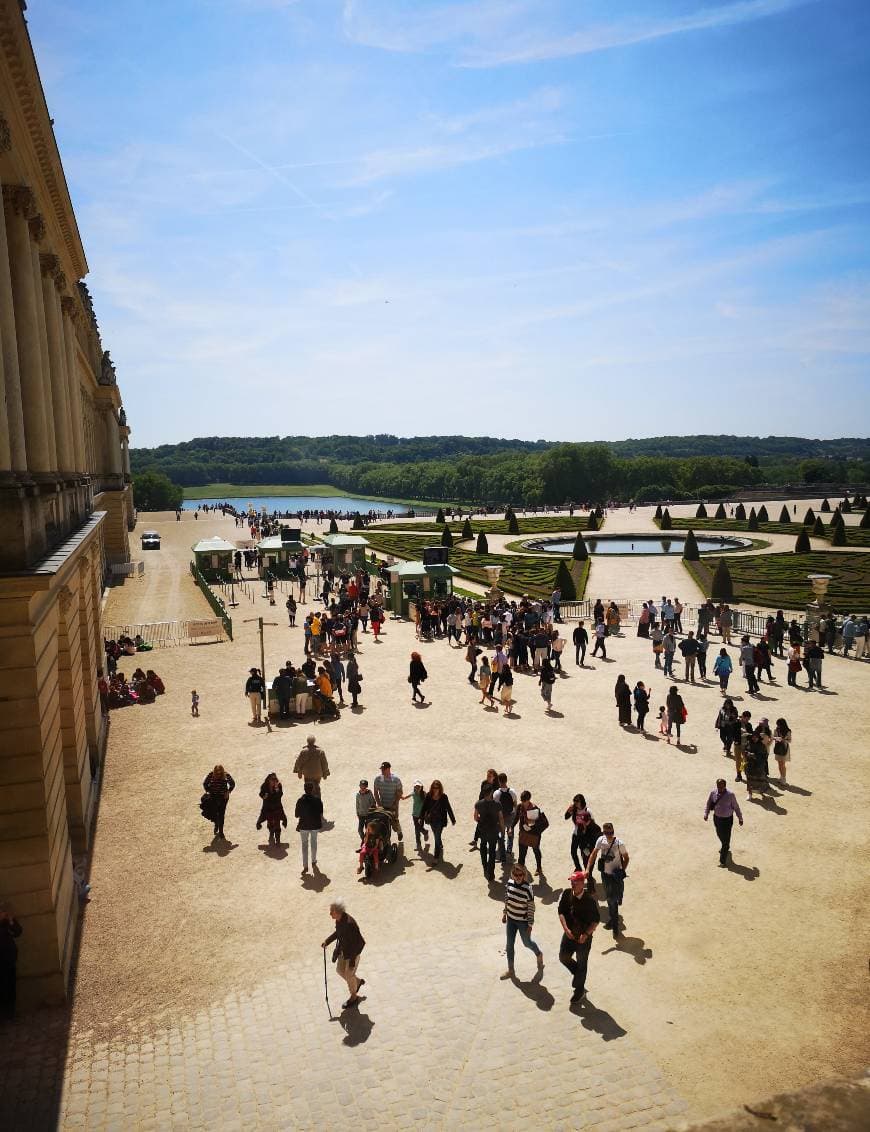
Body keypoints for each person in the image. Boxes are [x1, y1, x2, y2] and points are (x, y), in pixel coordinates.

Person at [557, 870, 600, 1003]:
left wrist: (586, 935)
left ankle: (579, 990)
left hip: (583, 938)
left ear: (582, 883)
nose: (572, 884)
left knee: (582, 963)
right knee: (563, 957)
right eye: (571, 881)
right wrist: (565, 928)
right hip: (569, 935)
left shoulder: (590, 901)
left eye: (575, 882)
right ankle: (579, 975)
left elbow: (595, 921)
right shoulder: (566, 894)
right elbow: (561, 912)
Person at [321, 899, 366, 1010]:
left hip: (352, 954)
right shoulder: (339, 920)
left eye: (332, 911)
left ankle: (354, 997)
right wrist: (327, 941)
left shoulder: (350, 924)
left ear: (338, 911)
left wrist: (351, 962)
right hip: (344, 951)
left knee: (348, 973)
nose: (330, 914)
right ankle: (357, 982)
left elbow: (357, 944)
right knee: (340, 971)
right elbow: (338, 933)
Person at [586, 822, 629, 937]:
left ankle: (614, 926)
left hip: (615, 876)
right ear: (604, 832)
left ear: (613, 831)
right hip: (605, 875)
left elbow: (626, 858)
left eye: (611, 832)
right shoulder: (601, 840)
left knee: (613, 900)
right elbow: (593, 854)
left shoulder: (619, 843)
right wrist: (587, 869)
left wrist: (622, 870)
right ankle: (613, 921)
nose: (609, 835)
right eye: (607, 833)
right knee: (610, 900)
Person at [502, 863, 544, 979]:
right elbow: (507, 899)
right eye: (516, 875)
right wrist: (504, 914)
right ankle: (511, 970)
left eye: (520, 875)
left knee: (527, 943)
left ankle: (538, 954)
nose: (518, 877)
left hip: (522, 921)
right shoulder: (509, 884)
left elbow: (531, 908)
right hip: (511, 919)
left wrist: (530, 924)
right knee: (509, 945)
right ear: (512, 874)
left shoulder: (528, 889)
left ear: (524, 875)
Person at [704, 779, 744, 866]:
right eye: (718, 786)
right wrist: (706, 813)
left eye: (721, 786)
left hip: (727, 820)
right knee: (719, 834)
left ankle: (723, 860)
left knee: (726, 839)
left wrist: (740, 818)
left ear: (725, 786)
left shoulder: (730, 795)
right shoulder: (713, 793)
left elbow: (736, 807)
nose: (720, 788)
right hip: (717, 818)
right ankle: (725, 845)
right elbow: (708, 803)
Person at [473, 785, 504, 881]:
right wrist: (502, 830)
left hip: (483, 830)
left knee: (482, 846)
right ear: (491, 793)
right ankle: (491, 873)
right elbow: (501, 818)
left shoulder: (478, 804)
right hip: (493, 830)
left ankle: (484, 866)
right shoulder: (497, 804)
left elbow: (475, 817)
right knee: (492, 852)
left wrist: (481, 821)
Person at [421, 780, 456, 861]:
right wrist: (421, 817)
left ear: (440, 788)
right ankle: (440, 844)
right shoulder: (429, 796)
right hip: (432, 820)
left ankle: (436, 857)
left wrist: (453, 819)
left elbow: (448, 808)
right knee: (436, 836)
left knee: (436, 837)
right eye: (434, 787)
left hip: (440, 820)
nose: (435, 789)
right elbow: (424, 807)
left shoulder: (444, 797)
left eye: (437, 788)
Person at [295, 781, 323, 874]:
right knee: (314, 843)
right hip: (314, 825)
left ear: (304, 789)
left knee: (304, 846)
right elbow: (320, 812)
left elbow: (296, 815)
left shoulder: (300, 800)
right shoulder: (317, 800)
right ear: (313, 789)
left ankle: (305, 866)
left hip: (304, 825)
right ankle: (313, 861)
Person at [0, 905, 23, 1017]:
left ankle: (11, 1012)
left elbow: (18, 932)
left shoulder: (7, 921)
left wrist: (10, 921)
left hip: (9, 959)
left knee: (11, 986)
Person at [517, 790, 546, 876]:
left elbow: (541, 822)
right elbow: (516, 817)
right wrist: (511, 827)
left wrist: (533, 821)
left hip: (534, 834)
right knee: (522, 853)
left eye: (524, 801)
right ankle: (520, 871)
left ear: (529, 800)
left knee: (536, 850)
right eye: (522, 801)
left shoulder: (535, 809)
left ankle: (539, 867)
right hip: (523, 833)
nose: (523, 803)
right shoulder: (520, 807)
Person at [373, 761, 404, 840]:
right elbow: (376, 793)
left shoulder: (396, 780)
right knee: (381, 821)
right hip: (382, 805)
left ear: (389, 769)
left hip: (393, 804)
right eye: (381, 769)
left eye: (384, 769)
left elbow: (400, 792)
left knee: (395, 820)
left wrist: (395, 803)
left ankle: (399, 831)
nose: (382, 771)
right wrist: (379, 804)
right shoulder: (377, 779)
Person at [202, 765, 235, 839]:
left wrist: (228, 792)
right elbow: (205, 783)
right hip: (213, 797)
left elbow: (232, 784)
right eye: (217, 773)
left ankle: (221, 831)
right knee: (214, 812)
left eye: (220, 773)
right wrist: (208, 791)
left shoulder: (226, 775)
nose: (219, 774)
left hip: (223, 797)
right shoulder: (211, 774)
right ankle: (216, 823)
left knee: (221, 813)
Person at [257, 772, 288, 846]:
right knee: (270, 822)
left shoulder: (278, 785)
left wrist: (277, 788)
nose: (274, 781)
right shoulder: (264, 786)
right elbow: (261, 794)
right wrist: (264, 796)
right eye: (272, 779)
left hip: (277, 808)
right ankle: (271, 832)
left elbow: (280, 795)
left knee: (277, 824)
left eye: (275, 779)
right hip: (268, 808)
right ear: (268, 780)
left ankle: (278, 839)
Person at [773, 718, 792, 785]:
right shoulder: (776, 730)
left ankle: (784, 779)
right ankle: (781, 777)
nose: (777, 726)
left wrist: (784, 740)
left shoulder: (788, 731)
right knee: (779, 764)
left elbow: (789, 740)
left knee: (783, 764)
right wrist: (776, 738)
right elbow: (774, 737)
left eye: (778, 725)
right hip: (778, 747)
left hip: (784, 748)